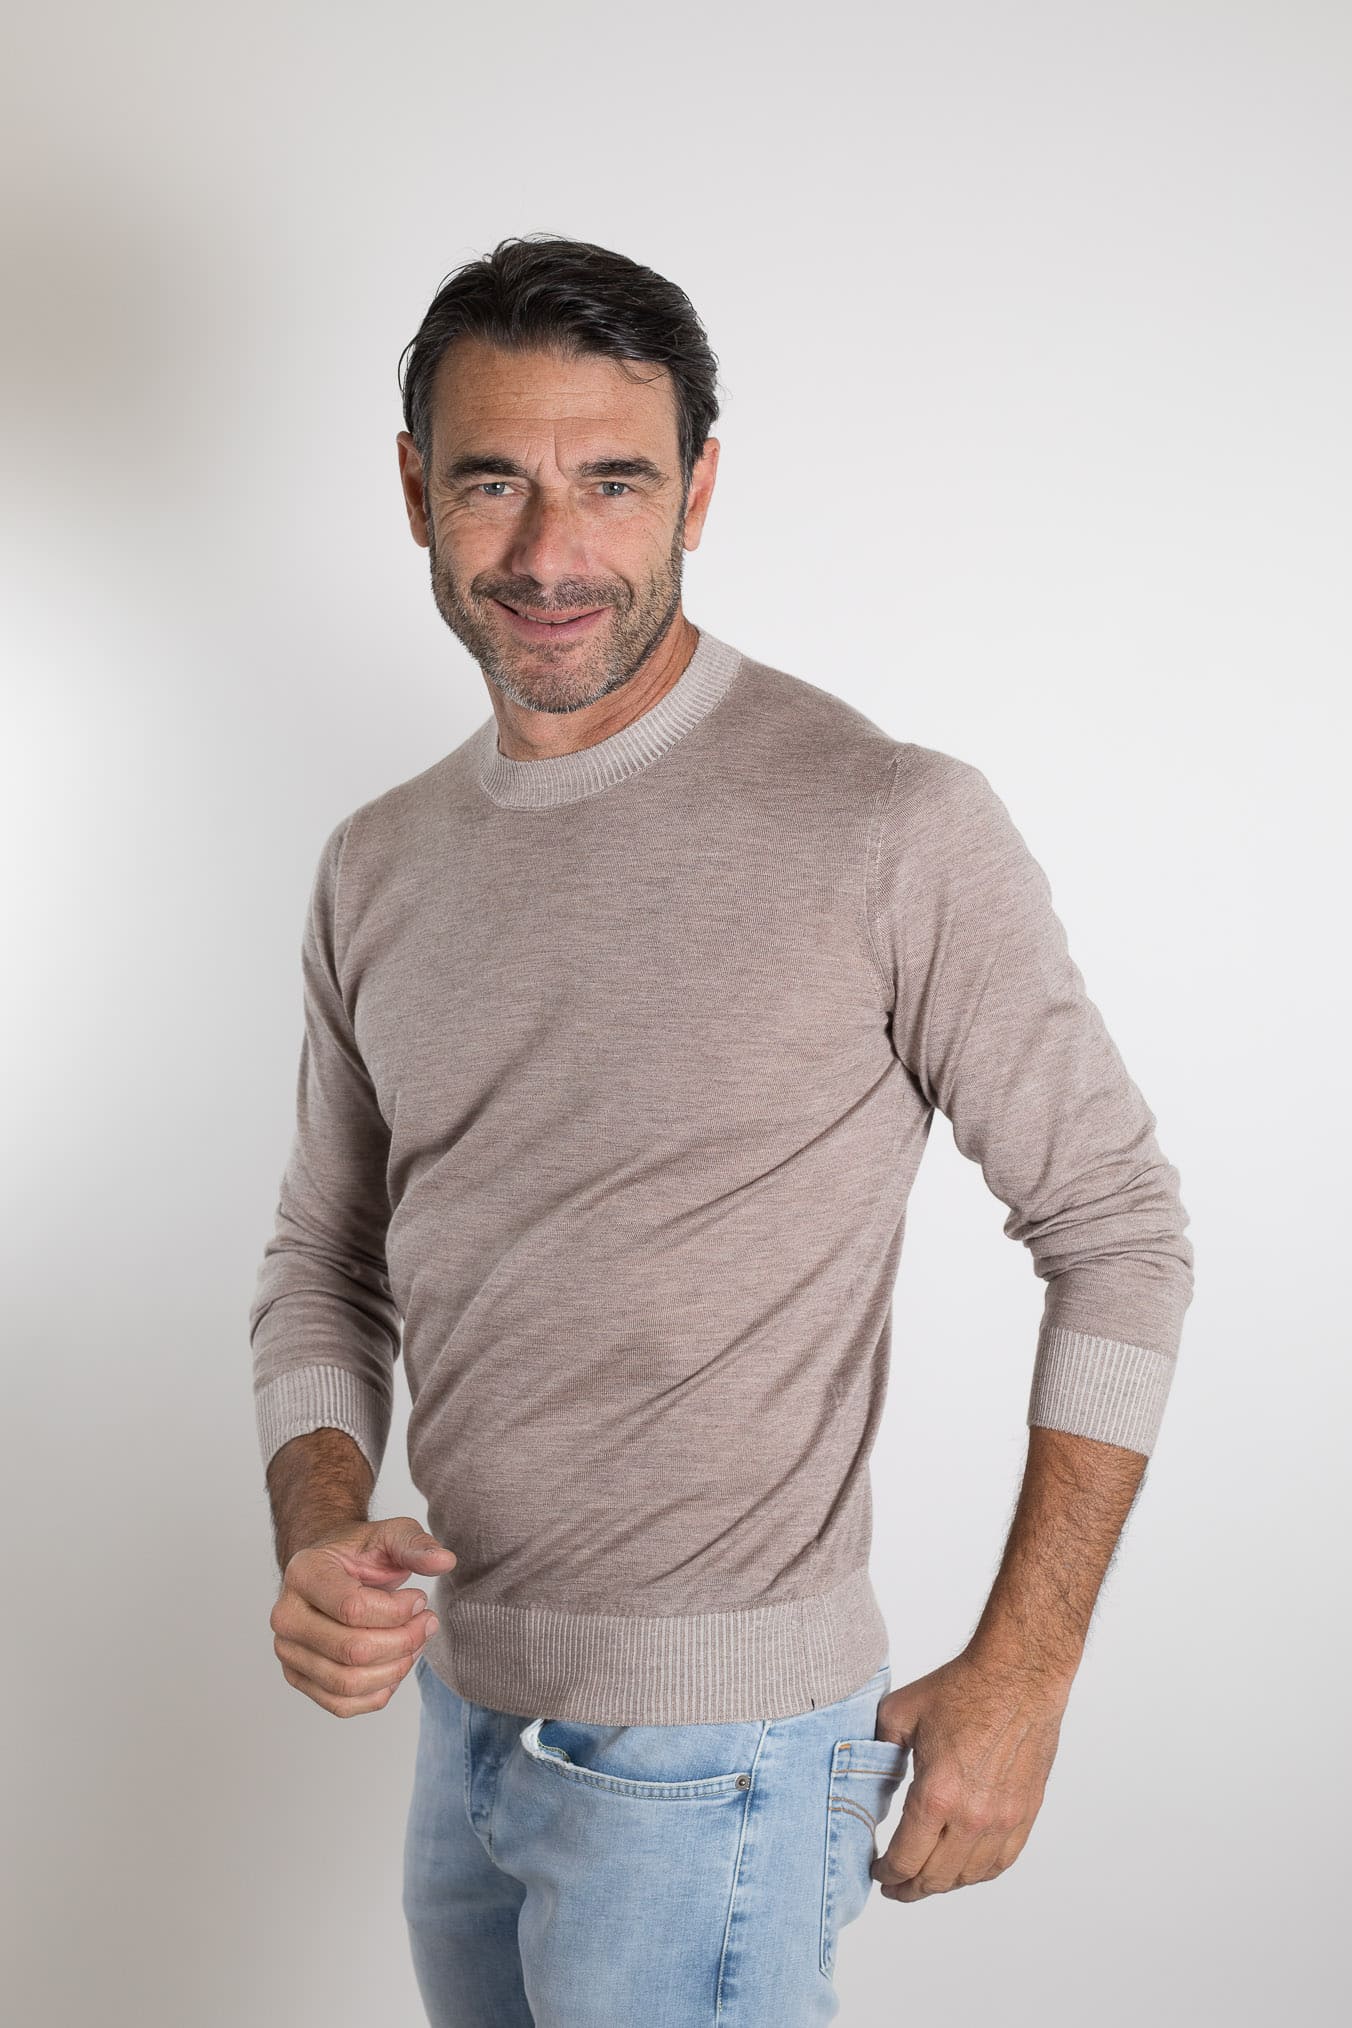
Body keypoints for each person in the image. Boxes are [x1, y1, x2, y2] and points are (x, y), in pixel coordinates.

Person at [249, 232, 1194, 2027]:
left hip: (722, 1767)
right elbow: (323, 1259)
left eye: (613, 482)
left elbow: (1122, 1237)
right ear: (414, 492)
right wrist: (318, 1518)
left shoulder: (889, 822)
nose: (550, 554)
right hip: (464, 1721)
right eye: (494, 483)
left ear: (697, 489)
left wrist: (1027, 1675)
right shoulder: (376, 862)